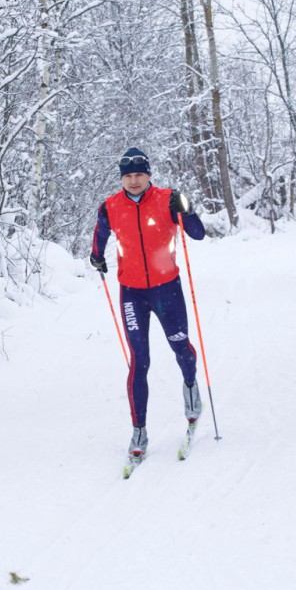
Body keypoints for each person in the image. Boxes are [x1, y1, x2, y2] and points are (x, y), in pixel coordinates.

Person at [90, 147, 206, 461]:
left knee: (180, 347)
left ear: (148, 174)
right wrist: (96, 256)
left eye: (139, 174)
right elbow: (100, 236)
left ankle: (191, 385)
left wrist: (188, 208)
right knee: (139, 361)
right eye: (128, 176)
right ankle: (138, 429)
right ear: (121, 178)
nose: (134, 180)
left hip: (167, 288)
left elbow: (198, 234)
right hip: (132, 293)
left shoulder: (167, 199)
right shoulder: (110, 206)